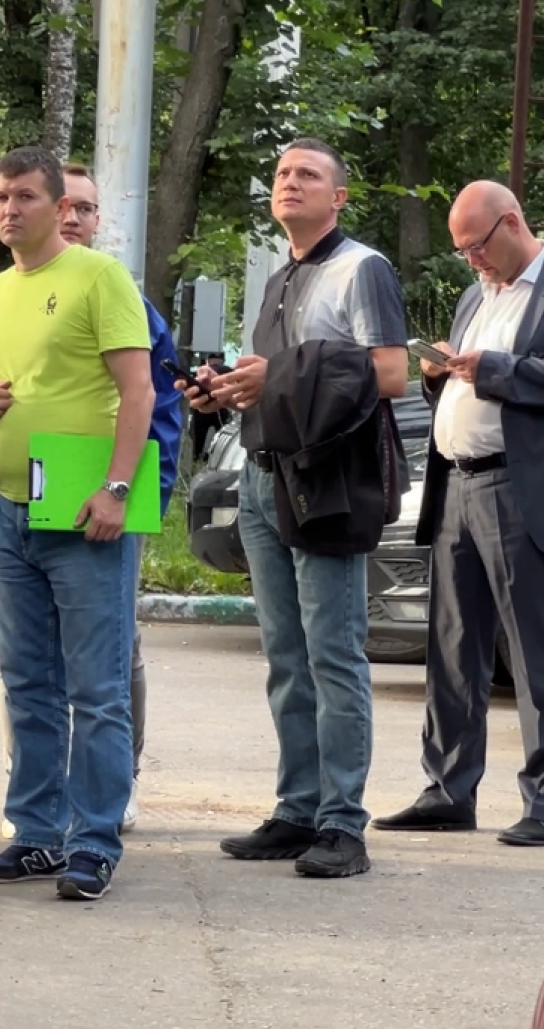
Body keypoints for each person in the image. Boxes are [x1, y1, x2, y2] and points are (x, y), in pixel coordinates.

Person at [182, 138, 408, 879]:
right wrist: (226, 390)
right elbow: (278, 386)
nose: (290, 183)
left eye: (307, 175)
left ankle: (344, 823)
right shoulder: (281, 276)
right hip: (263, 477)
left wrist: (272, 374)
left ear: (338, 196)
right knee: (285, 656)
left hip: (329, 483)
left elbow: (389, 373)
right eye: (281, 174)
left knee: (333, 653)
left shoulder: (362, 267)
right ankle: (297, 809)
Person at [0, 161, 183, 840]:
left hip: (85, 508)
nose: (10, 209)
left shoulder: (105, 282)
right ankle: (36, 833)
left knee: (99, 688)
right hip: (14, 508)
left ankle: (96, 838)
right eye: (0, 197)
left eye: (27, 197)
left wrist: (121, 491)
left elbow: (145, 394)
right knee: (27, 685)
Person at [372, 181, 544, 848]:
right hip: (457, 486)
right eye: (462, 252)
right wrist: (440, 376)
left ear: (510, 223)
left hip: (524, 490)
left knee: (541, 654)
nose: (471, 262)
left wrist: (498, 370)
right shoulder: (474, 296)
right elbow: (470, 379)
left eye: (476, 247)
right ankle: (449, 789)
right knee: (452, 650)